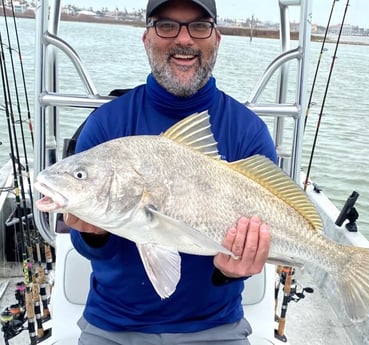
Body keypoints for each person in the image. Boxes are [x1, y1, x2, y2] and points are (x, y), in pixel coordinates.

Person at [65, 1, 277, 344]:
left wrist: (229, 273)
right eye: (167, 26)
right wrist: (93, 234)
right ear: (146, 38)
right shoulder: (106, 125)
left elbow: (262, 236)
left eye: (198, 26)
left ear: (217, 39)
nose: (184, 40)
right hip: (113, 325)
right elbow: (87, 246)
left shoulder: (248, 132)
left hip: (216, 327)